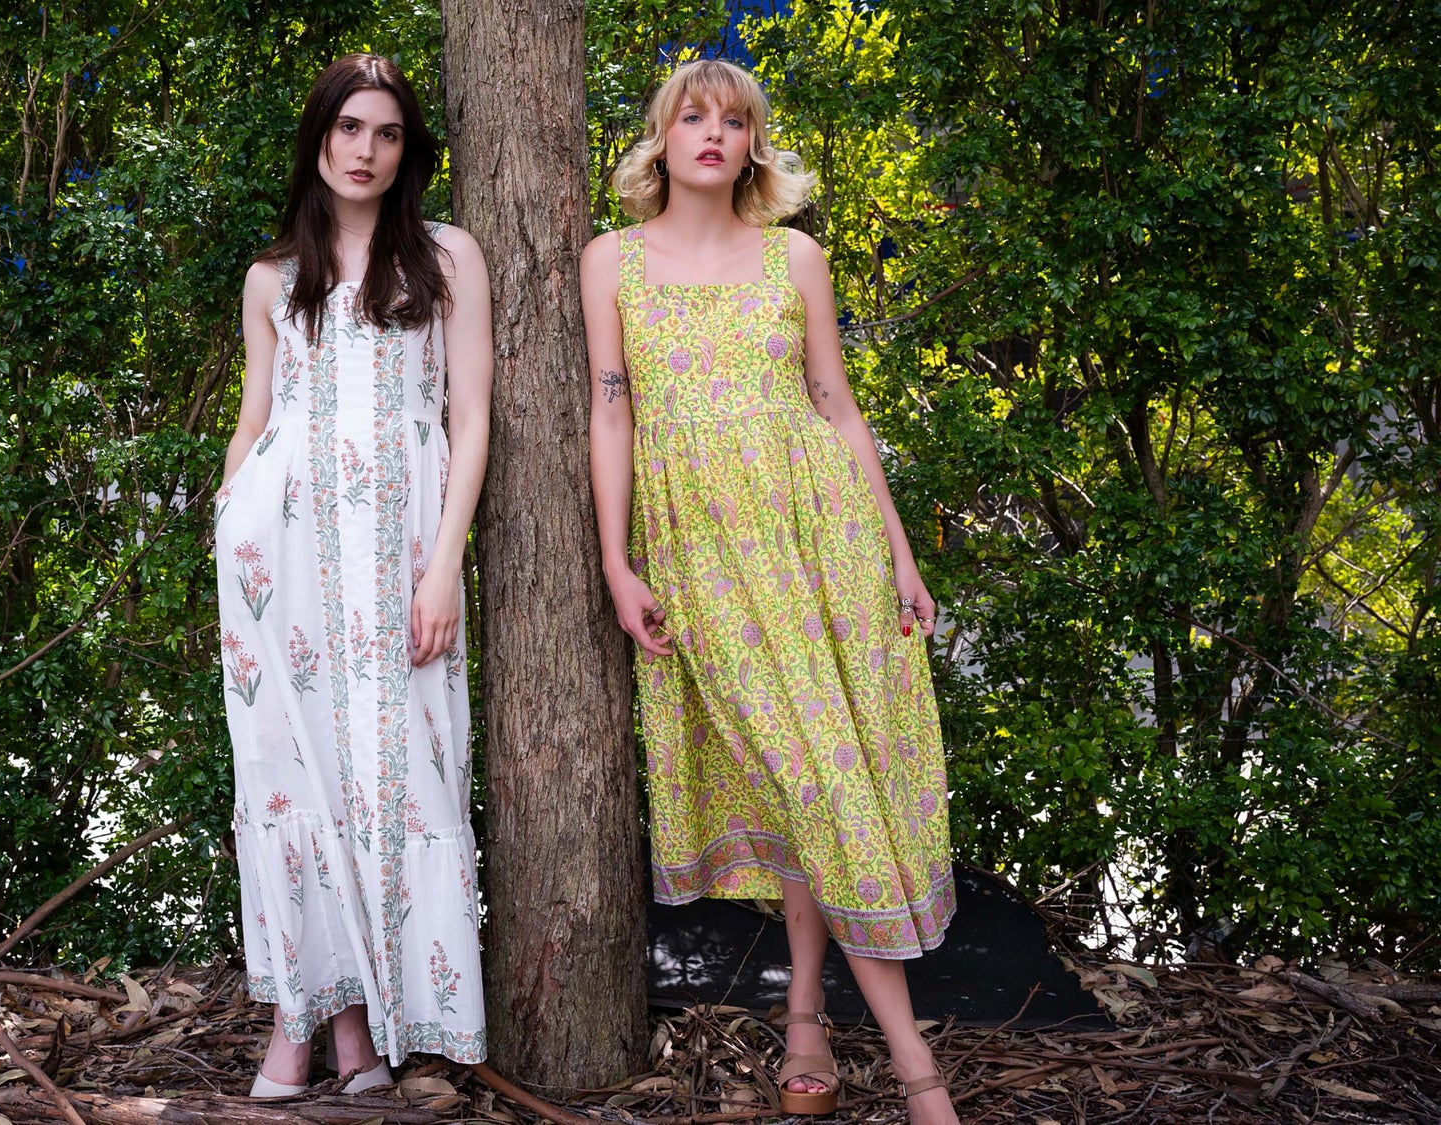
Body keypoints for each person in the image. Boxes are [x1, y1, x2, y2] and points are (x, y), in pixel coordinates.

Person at [582, 59, 958, 1123]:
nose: (711, 133)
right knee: (801, 778)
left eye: (733, 121)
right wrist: (617, 562)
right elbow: (610, 413)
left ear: (753, 144)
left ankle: (819, 1018)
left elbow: (834, 406)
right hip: (699, 549)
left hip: (818, 537)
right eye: (691, 117)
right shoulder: (609, 262)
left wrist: (896, 549)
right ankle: (905, 1064)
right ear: (661, 139)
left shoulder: (793, 256)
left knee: (827, 783)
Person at [215, 52, 493, 1097]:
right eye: (347, 130)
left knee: (403, 774)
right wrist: (228, 529)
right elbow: (255, 421)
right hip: (274, 567)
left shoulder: (447, 258)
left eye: (385, 134)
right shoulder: (270, 279)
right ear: (318, 139)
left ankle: (386, 1019)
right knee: (296, 783)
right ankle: (322, 1028)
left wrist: (443, 566)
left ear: (406, 150)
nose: (364, 151)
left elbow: (469, 422)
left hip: (401, 560)